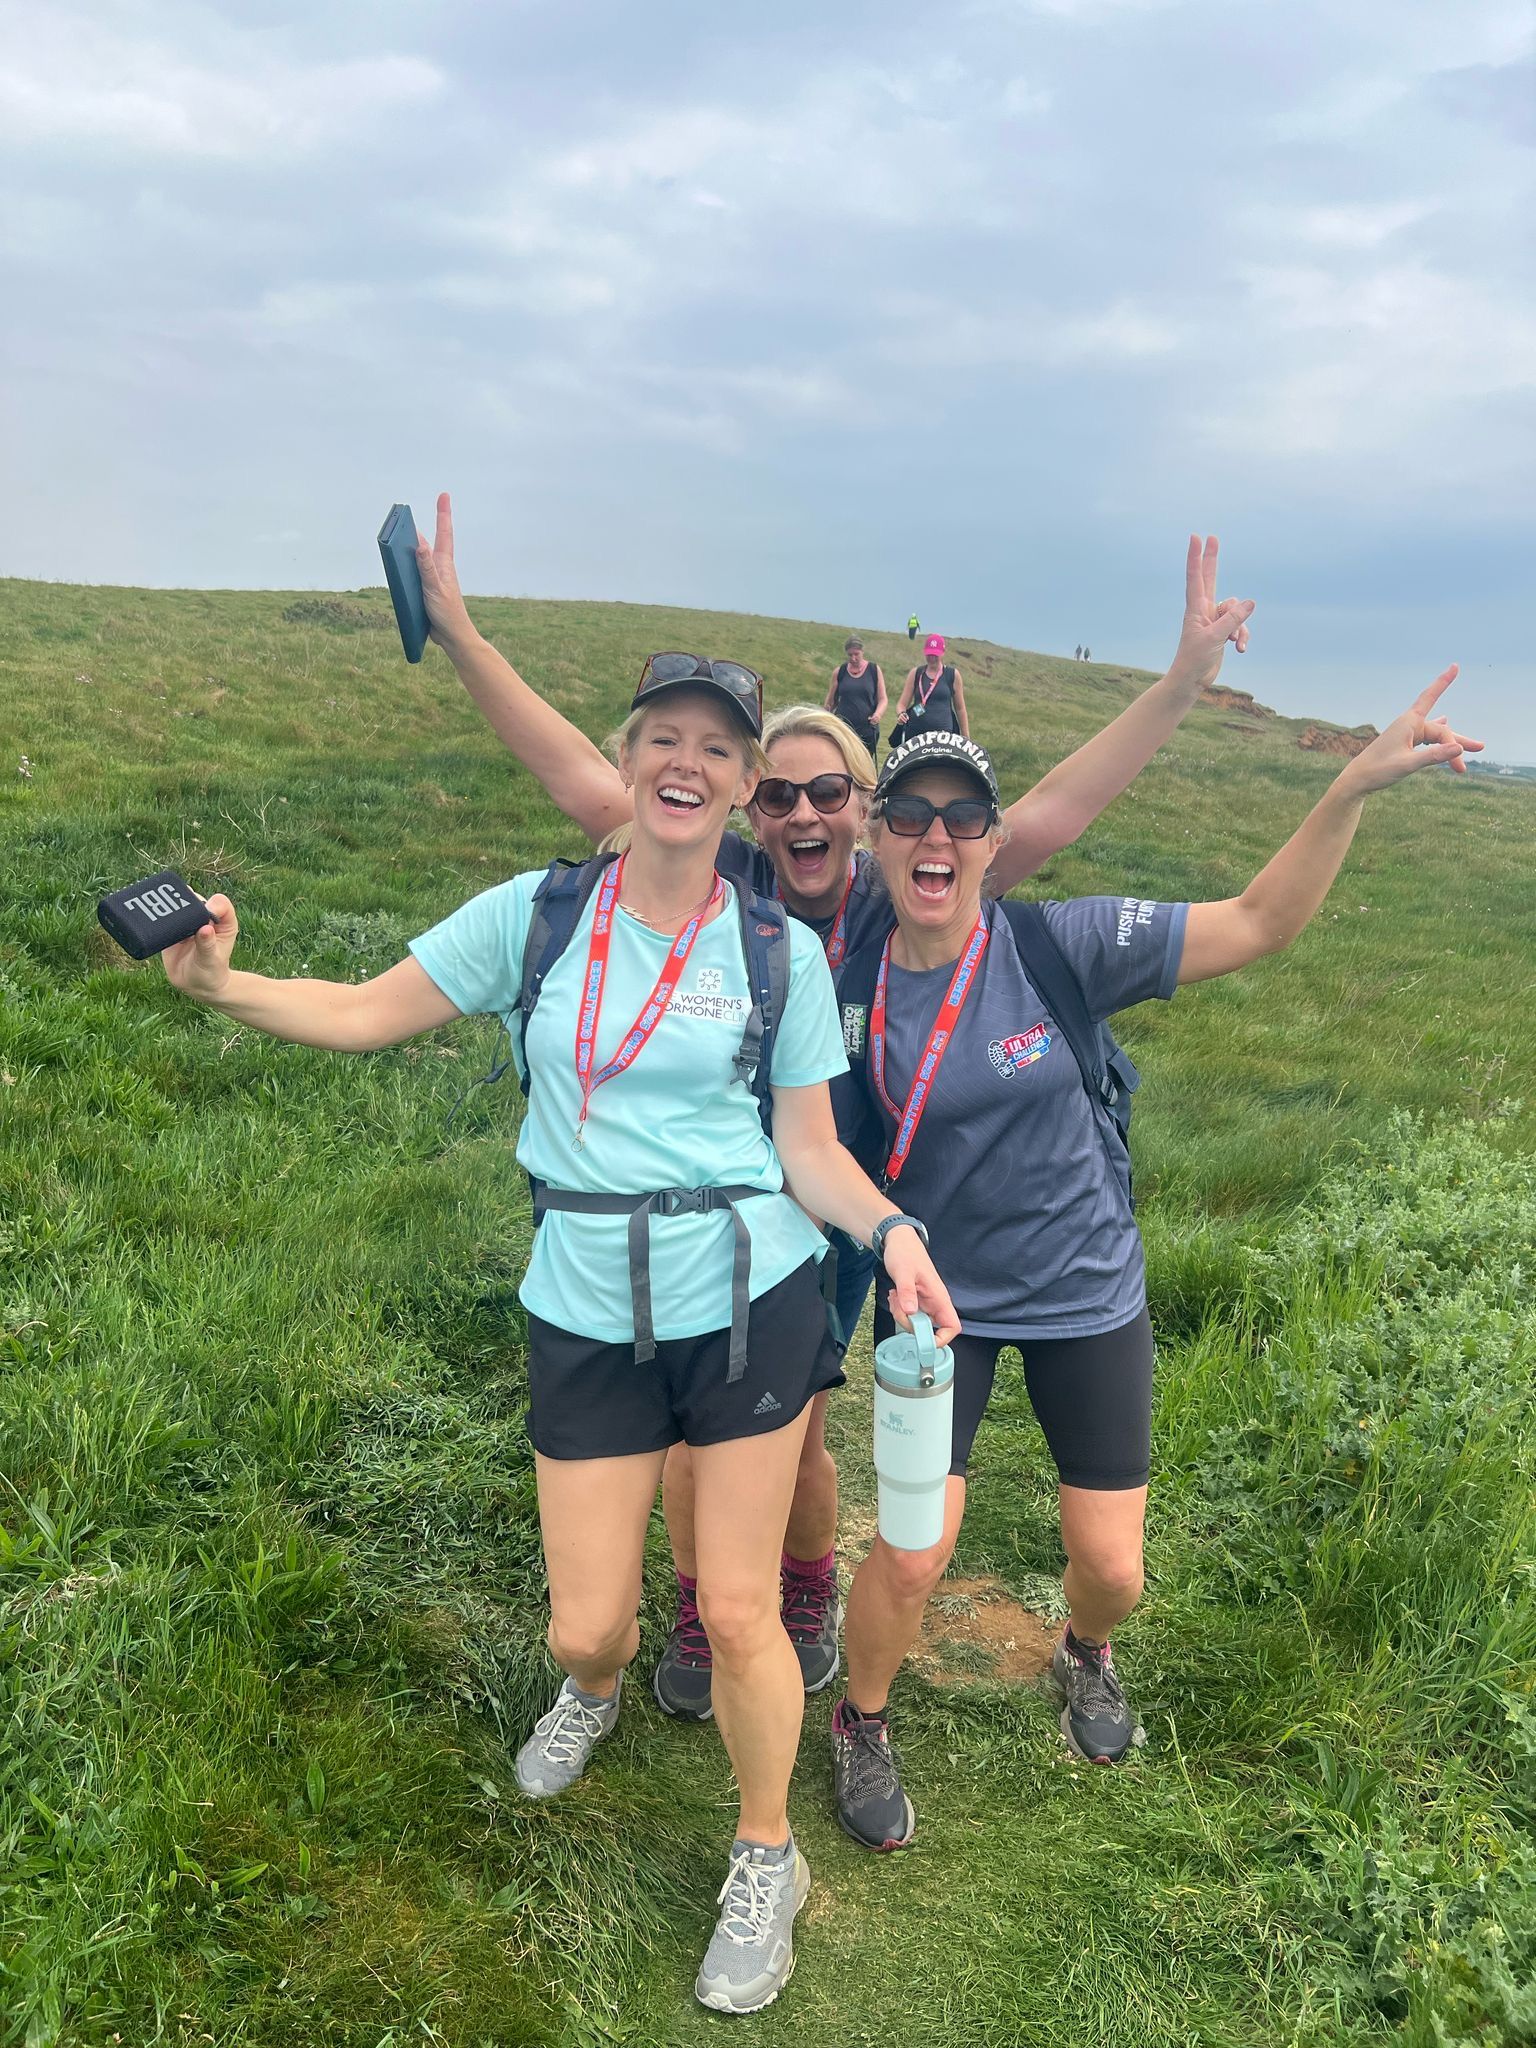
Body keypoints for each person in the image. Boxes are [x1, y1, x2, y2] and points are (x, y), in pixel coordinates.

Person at [157, 652, 959, 2015]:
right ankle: (596, 1686)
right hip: (584, 1305)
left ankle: (768, 1855)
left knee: (739, 1607)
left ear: (743, 786)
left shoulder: (776, 951)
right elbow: (364, 1009)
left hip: (748, 1301)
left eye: (717, 746)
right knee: (586, 1624)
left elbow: (810, 1149)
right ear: (628, 758)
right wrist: (221, 987)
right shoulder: (536, 918)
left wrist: (889, 1231)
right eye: (664, 736)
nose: (687, 762)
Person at [412, 498, 1256, 1718]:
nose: (802, 814)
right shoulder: (725, 875)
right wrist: (460, 631)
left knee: (797, 1431)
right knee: (716, 1438)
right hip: (725, 1200)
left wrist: (1179, 682)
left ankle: (798, 1590)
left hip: (847, 1193)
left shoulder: (894, 891)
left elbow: (1054, 810)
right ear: (750, 806)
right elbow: (576, 772)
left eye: (829, 792)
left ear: (863, 807)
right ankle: (707, 1604)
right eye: (779, 794)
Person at [821, 671, 1478, 1850]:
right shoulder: (851, 995)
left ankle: (1087, 1647)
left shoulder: (1055, 942)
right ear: (878, 837)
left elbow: (1259, 921)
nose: (936, 835)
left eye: (963, 815)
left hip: (1087, 1290)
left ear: (993, 840)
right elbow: (818, 1150)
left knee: (1113, 1566)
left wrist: (1347, 788)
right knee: (912, 1556)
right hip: (937, 1302)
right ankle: (859, 1718)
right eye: (910, 812)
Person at [891, 634, 967, 747]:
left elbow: (960, 709)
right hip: (915, 736)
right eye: (929, 654)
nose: (932, 658)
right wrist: (901, 714)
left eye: (935, 655)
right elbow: (901, 704)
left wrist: (966, 739)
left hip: (944, 738)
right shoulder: (915, 673)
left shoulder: (953, 675)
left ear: (943, 652)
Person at [824, 635, 887, 756]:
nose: (853, 658)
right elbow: (831, 702)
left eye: (856, 654)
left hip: (867, 728)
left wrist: (878, 714)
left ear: (862, 652)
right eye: (850, 655)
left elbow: (883, 699)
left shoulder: (874, 670)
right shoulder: (839, 672)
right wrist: (826, 717)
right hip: (843, 728)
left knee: (864, 761)